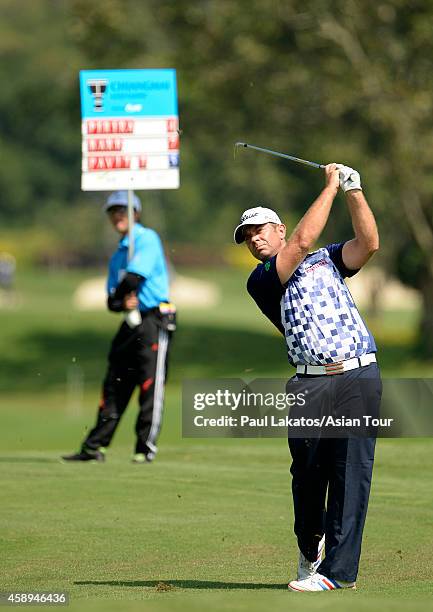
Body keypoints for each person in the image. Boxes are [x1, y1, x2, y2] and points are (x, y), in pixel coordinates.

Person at [233, 164, 381, 592]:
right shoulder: (262, 280)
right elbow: (301, 242)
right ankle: (308, 546)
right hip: (310, 383)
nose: (254, 239)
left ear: (276, 228)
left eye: (259, 230)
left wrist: (353, 190)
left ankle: (338, 573)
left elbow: (369, 244)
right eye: (247, 237)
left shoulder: (330, 259)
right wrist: (331, 185)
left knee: (352, 473)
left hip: (359, 374)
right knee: (309, 475)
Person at [63, 190, 175, 464]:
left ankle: (144, 448)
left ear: (135, 213)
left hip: (153, 319)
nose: (117, 216)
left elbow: (135, 277)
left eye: (122, 210)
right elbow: (112, 301)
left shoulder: (147, 239)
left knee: (150, 385)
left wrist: (124, 294)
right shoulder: (118, 255)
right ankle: (95, 447)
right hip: (130, 322)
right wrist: (121, 302)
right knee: (115, 383)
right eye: (113, 212)